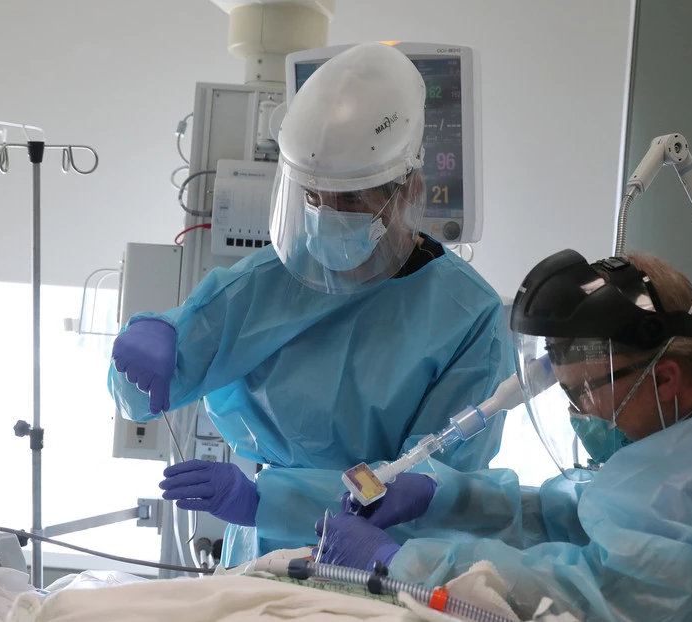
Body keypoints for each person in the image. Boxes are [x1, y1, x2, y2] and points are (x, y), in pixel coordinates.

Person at [315, 249, 692, 620]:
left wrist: (402, 566)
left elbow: (593, 598)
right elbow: (607, 516)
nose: (576, 414)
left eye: (585, 393)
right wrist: (450, 499)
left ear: (665, 377)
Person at [108, 42, 513, 567]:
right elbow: (140, 395)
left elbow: (434, 486)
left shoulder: (468, 317)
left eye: (351, 200)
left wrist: (266, 502)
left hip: (382, 562)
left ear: (409, 190)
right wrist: (139, 353)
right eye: (313, 198)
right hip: (258, 555)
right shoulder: (268, 281)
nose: (326, 216)